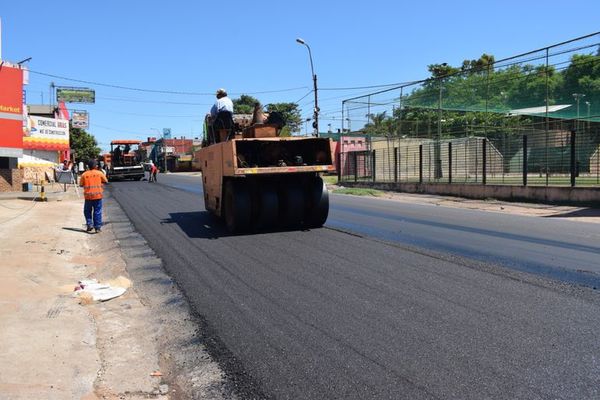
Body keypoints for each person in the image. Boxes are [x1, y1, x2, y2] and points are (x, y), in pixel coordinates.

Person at [79, 159, 109, 233]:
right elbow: (106, 181)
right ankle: (97, 227)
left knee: (87, 211)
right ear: (95, 166)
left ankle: (89, 225)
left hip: (88, 197)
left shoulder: (84, 174)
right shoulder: (99, 173)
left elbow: (81, 184)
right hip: (98, 196)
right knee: (97, 211)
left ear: (88, 166)